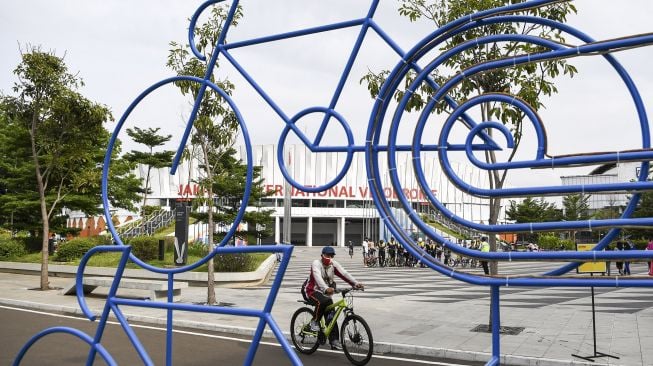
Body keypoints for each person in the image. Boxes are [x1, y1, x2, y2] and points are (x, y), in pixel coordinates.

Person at [304, 246, 364, 350]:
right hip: (311, 290)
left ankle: (334, 340)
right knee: (324, 301)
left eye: (332, 256)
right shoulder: (316, 264)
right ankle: (314, 321)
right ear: (322, 255)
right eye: (328, 255)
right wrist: (326, 288)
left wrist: (355, 283)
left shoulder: (333, 265)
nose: (330, 258)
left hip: (325, 293)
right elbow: (317, 277)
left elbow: (344, 274)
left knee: (331, 315)